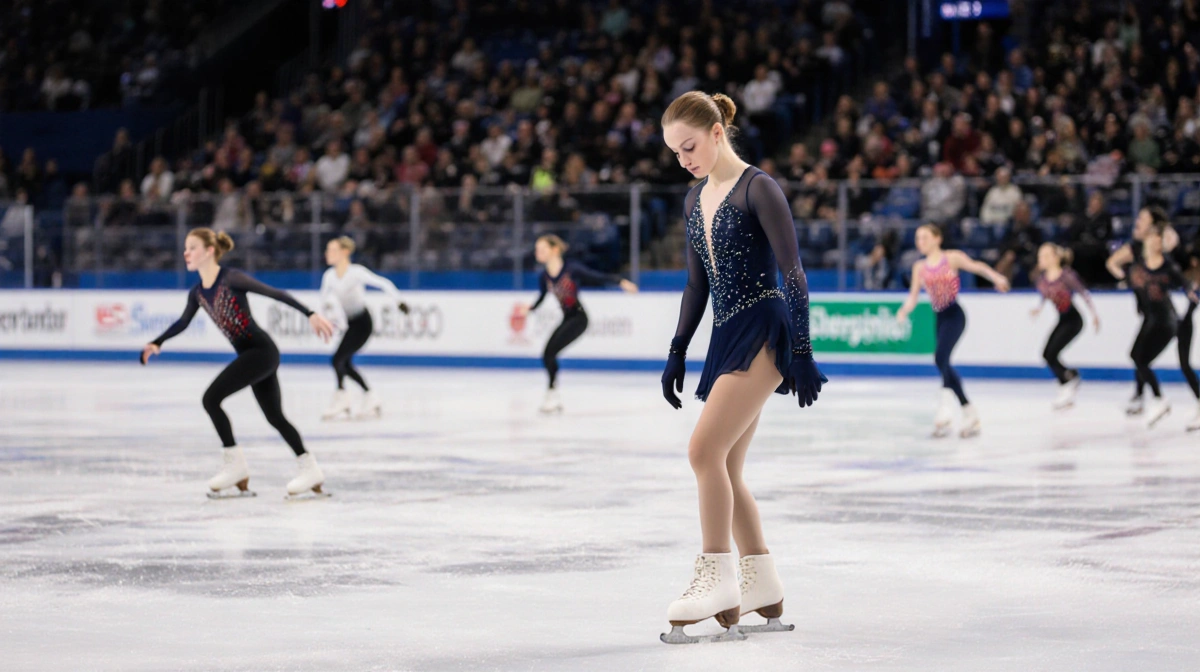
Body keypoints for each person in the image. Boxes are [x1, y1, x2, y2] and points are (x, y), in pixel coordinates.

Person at [658, 91, 825, 644]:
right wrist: (677, 348)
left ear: (715, 132)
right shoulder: (693, 200)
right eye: (675, 153)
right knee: (725, 465)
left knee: (703, 451)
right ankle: (761, 583)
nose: (684, 159)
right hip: (726, 333)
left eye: (688, 146)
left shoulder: (759, 188)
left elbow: (793, 273)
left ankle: (717, 576)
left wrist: (800, 349)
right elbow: (695, 284)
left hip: (766, 328)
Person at [142, 228, 336, 498]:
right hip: (252, 356)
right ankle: (309, 468)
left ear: (209, 251)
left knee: (211, 399)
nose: (186, 253)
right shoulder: (197, 293)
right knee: (275, 417)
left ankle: (236, 466)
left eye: (192, 247)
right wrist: (157, 342)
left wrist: (311, 313)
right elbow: (183, 322)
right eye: (186, 248)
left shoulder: (231, 278)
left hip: (261, 352)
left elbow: (274, 293)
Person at [897, 224, 1011, 438]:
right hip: (939, 318)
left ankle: (947, 408)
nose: (919, 242)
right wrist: (904, 310)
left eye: (924, 237)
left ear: (937, 238)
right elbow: (914, 296)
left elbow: (977, 267)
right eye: (917, 238)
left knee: (940, 358)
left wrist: (997, 278)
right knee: (942, 361)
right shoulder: (919, 267)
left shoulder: (951, 258)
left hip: (955, 315)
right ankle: (968, 411)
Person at [516, 234, 638, 413]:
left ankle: (552, 394)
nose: (538, 253)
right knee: (548, 354)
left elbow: (596, 277)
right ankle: (552, 394)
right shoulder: (544, 276)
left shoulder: (571, 269)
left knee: (549, 353)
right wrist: (531, 308)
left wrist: (620, 281)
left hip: (579, 319)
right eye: (537, 250)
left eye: (542, 249)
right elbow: (542, 297)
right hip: (567, 318)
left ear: (555, 250)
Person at [1106, 206, 1199, 428]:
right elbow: (1121, 270)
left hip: (1172, 319)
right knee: (1139, 357)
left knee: (1174, 363)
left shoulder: (1168, 266)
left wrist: (1189, 307)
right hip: (1158, 317)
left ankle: (1158, 398)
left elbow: (1189, 287)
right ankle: (1150, 398)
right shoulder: (1138, 266)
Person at [318, 236, 410, 421]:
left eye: (332, 250)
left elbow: (382, 283)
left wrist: (399, 301)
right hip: (350, 324)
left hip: (363, 323)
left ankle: (342, 396)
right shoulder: (329, 276)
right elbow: (324, 300)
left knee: (337, 360)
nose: (327, 254)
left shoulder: (356, 273)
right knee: (344, 363)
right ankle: (370, 396)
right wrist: (328, 317)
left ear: (344, 252)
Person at [1031, 244, 1100, 410]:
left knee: (1052, 353)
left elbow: (1083, 292)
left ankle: (1067, 383)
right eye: (1040, 256)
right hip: (1062, 319)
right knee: (1047, 353)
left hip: (1074, 321)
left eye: (1044, 256)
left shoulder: (1066, 275)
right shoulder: (1042, 279)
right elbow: (1046, 295)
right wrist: (1038, 308)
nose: (1040, 259)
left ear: (1055, 258)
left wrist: (1094, 314)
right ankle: (1070, 376)